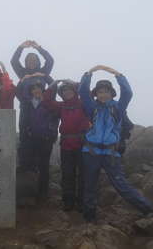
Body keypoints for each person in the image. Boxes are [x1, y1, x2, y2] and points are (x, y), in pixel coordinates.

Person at [78, 65, 153, 223]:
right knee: (90, 186)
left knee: (121, 185)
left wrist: (117, 74)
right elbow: (83, 91)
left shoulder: (118, 108)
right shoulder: (92, 107)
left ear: (111, 93)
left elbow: (127, 93)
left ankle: (147, 208)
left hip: (111, 154)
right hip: (91, 152)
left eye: (106, 91)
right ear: (96, 94)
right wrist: (89, 73)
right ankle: (89, 217)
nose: (103, 94)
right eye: (99, 92)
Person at [43, 80, 89, 212]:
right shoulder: (61, 106)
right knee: (67, 174)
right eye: (64, 91)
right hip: (66, 144)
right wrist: (53, 84)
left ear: (75, 91)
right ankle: (68, 202)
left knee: (83, 174)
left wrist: (73, 83)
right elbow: (46, 101)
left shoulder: (83, 103)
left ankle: (81, 201)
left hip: (82, 143)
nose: (67, 92)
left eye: (69, 90)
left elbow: (88, 93)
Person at [16, 73, 59, 200]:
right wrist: (23, 79)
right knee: (29, 164)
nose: (36, 90)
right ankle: (30, 191)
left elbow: (55, 119)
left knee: (44, 166)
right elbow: (18, 91)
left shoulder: (49, 103)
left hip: (46, 139)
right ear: (30, 91)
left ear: (43, 90)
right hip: (30, 139)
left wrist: (52, 134)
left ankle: (43, 193)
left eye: (38, 88)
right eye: (33, 89)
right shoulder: (27, 104)